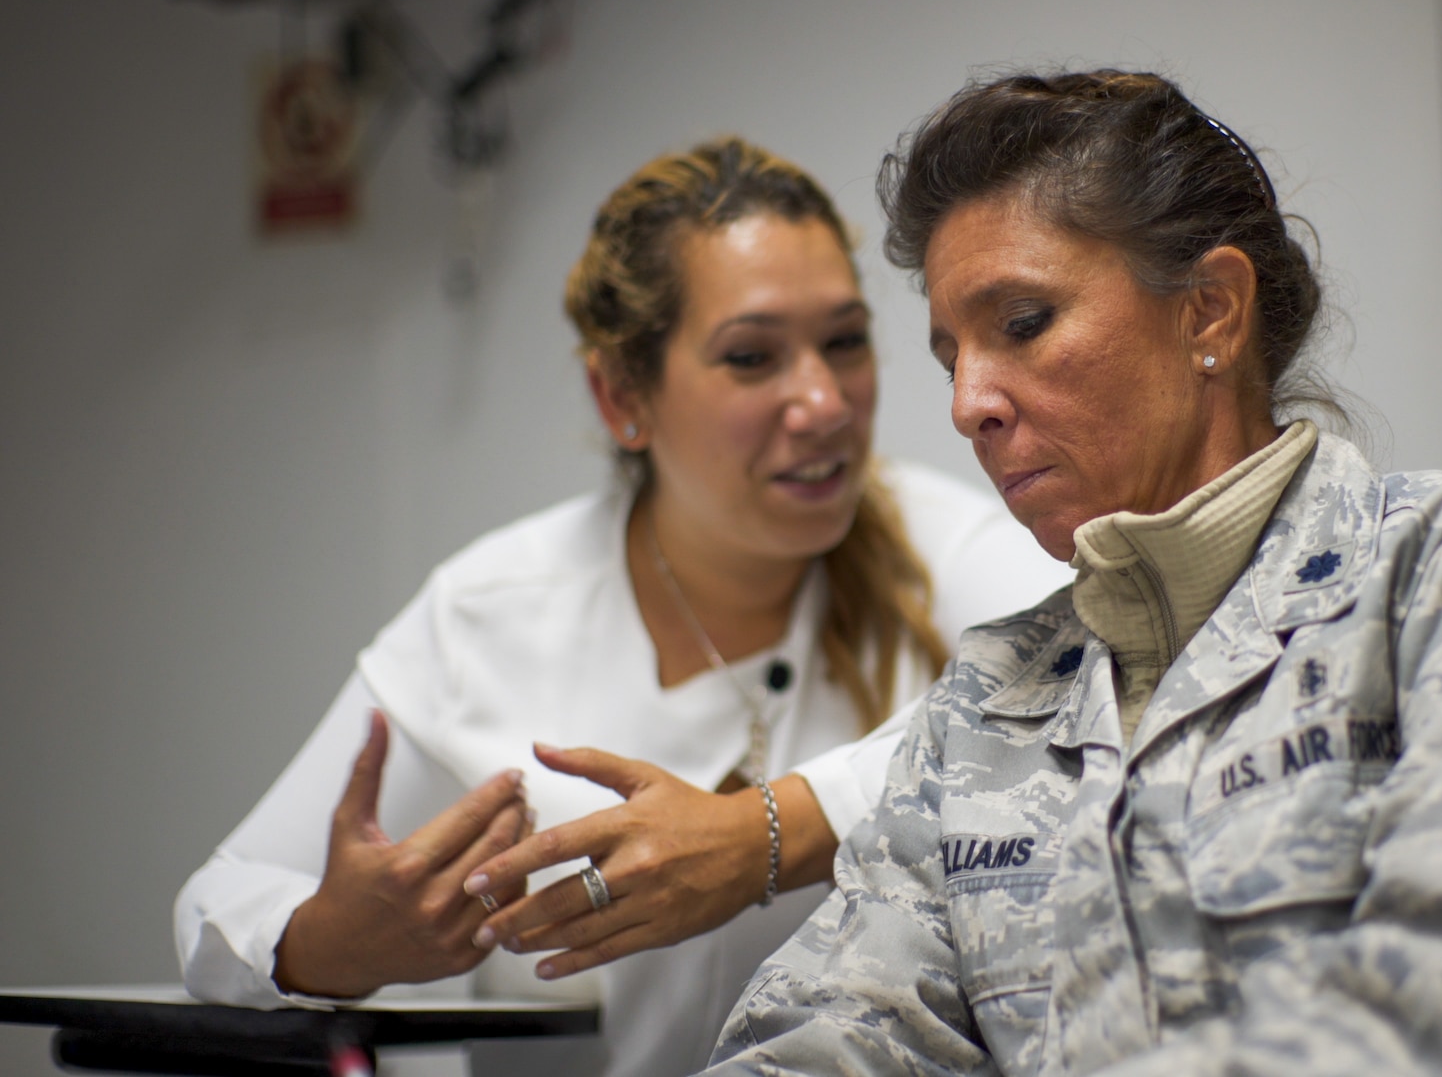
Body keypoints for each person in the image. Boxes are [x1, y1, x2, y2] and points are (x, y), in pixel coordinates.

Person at [705, 71, 1442, 1076]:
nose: (968, 404)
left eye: (1024, 324)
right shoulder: (988, 702)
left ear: (1210, 311)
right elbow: (830, 1030)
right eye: (949, 355)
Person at [173, 138, 1070, 1077]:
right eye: (752, 357)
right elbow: (216, 903)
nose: (823, 400)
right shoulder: (494, 610)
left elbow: (1081, 689)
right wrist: (325, 944)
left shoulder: (955, 552)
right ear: (620, 397)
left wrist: (762, 833)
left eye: (844, 341)